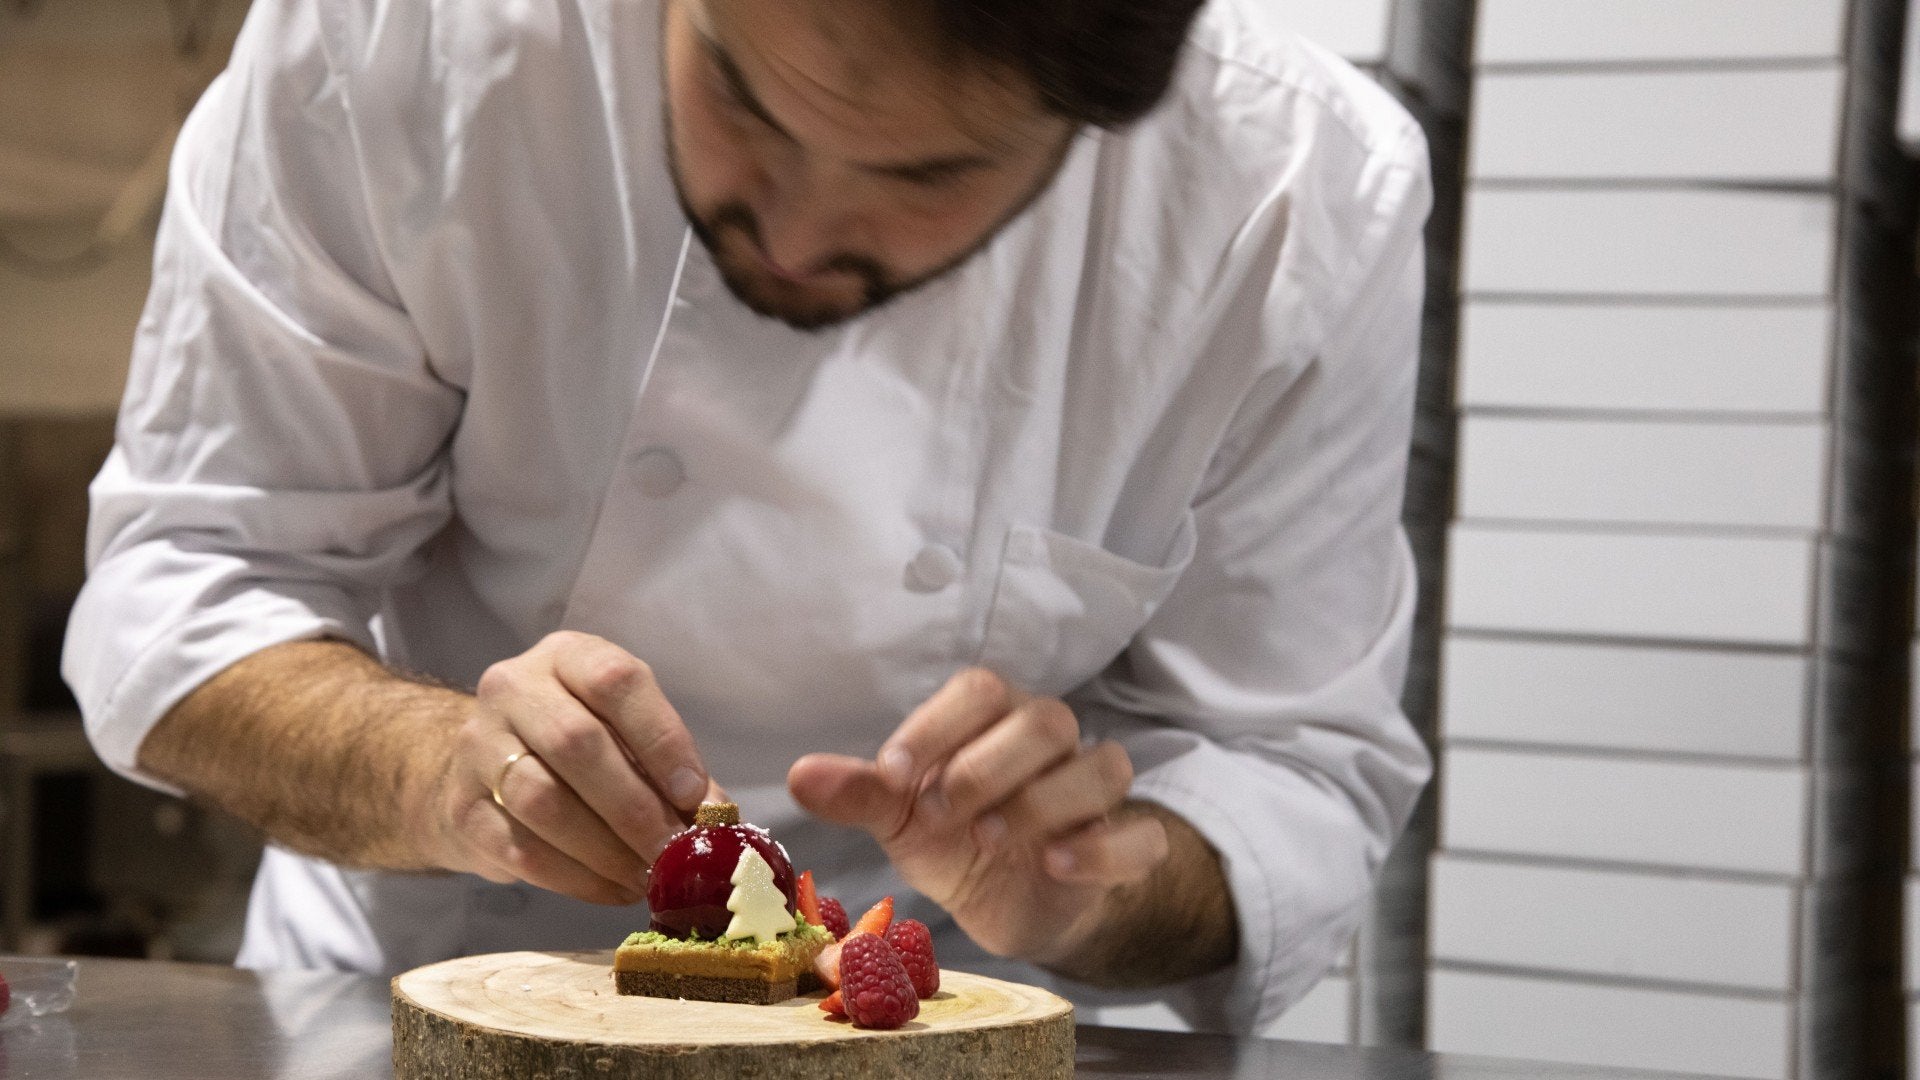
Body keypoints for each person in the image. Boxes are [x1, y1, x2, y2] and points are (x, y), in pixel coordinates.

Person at [64, 0, 1432, 1035]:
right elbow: (189, 584)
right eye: (740, 98)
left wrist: (1095, 887)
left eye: (921, 179)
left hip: (950, 1022)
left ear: (1096, 131)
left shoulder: (1289, 200)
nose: (794, 229)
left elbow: (1295, 771)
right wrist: (438, 771)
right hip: (424, 992)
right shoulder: (409, 42)